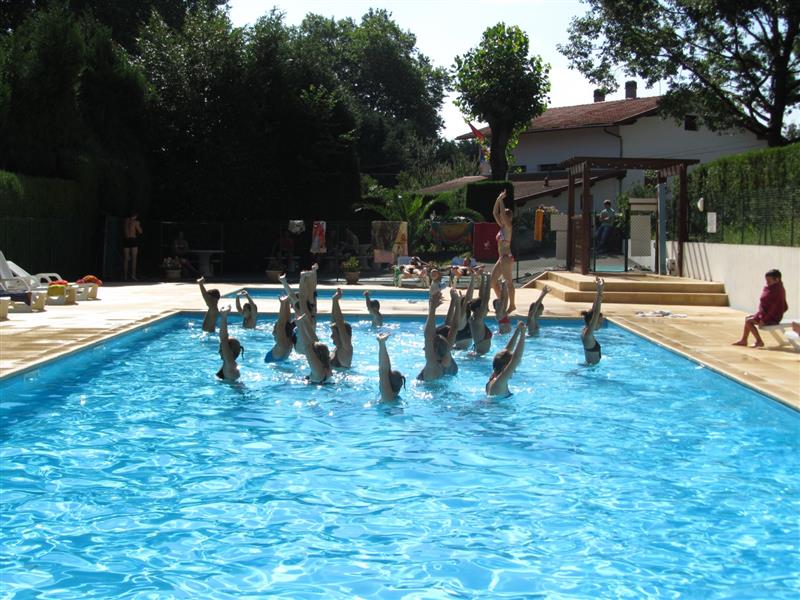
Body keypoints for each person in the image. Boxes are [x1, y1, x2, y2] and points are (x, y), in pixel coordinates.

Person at [733, 269, 789, 348]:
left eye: (769, 280)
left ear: (777, 280)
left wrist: (764, 320)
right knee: (748, 318)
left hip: (772, 317)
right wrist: (759, 315)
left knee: (749, 321)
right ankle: (744, 340)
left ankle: (759, 341)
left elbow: (775, 308)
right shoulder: (770, 288)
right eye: (766, 280)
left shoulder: (778, 291)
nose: (767, 282)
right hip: (765, 314)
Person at [417, 287, 459, 381]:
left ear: (434, 349)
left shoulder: (432, 364)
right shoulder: (448, 354)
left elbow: (428, 336)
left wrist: (432, 309)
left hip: (427, 388)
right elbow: (455, 327)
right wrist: (457, 302)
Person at [490, 190, 516, 312]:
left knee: (508, 282)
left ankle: (512, 305)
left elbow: (501, 213)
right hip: (501, 258)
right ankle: (502, 301)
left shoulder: (508, 227)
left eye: (503, 216)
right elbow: (495, 212)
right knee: (493, 281)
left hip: (506, 257)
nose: (500, 218)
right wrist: (498, 198)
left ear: (508, 217)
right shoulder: (502, 227)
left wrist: (501, 200)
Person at [486, 321, 527, 397]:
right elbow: (516, 358)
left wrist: (517, 331)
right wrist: (523, 334)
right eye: (512, 368)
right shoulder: (499, 383)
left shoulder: (492, 379)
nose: (514, 371)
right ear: (505, 367)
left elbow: (507, 350)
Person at [296, 313, 332, 384]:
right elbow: (315, 342)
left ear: (316, 355)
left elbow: (308, 347)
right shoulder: (327, 365)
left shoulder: (318, 371)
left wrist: (300, 326)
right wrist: (305, 322)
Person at [469, 272, 494, 355]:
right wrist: (489, 278)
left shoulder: (474, 318)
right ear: (478, 309)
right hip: (480, 355)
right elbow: (486, 298)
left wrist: (483, 278)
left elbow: (481, 297)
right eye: (485, 308)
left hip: (479, 354)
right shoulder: (477, 320)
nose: (487, 310)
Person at [581, 277, 605, 365]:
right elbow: (595, 313)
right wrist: (600, 292)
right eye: (600, 323)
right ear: (593, 322)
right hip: (591, 369)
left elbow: (594, 311)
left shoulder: (586, 330)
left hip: (590, 367)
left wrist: (598, 291)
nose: (601, 325)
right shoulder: (588, 335)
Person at [216, 307, 243, 381]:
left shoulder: (230, 364)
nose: (219, 351)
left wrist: (224, 316)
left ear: (230, 352)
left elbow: (224, 338)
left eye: (221, 349)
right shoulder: (229, 364)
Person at [377, 332, 405, 401]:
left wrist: (382, 343)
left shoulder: (388, 399)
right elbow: (385, 371)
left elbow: (383, 371)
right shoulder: (396, 400)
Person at [264, 296, 293, 362]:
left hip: (273, 364)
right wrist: (285, 303)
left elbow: (282, 324)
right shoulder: (288, 341)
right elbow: (286, 323)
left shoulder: (282, 343)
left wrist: (283, 303)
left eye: (275, 328)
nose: (272, 331)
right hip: (278, 361)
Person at [330, 288, 353, 368]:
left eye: (334, 334)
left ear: (341, 335)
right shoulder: (337, 349)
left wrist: (336, 300)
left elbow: (339, 323)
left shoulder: (346, 349)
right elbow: (334, 321)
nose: (331, 336)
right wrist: (333, 300)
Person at [123, 211, 143, 281]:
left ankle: (125, 276)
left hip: (126, 240)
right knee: (134, 259)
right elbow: (140, 231)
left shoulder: (125, 221)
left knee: (126, 259)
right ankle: (133, 275)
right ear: (135, 215)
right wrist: (139, 225)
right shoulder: (135, 222)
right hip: (133, 240)